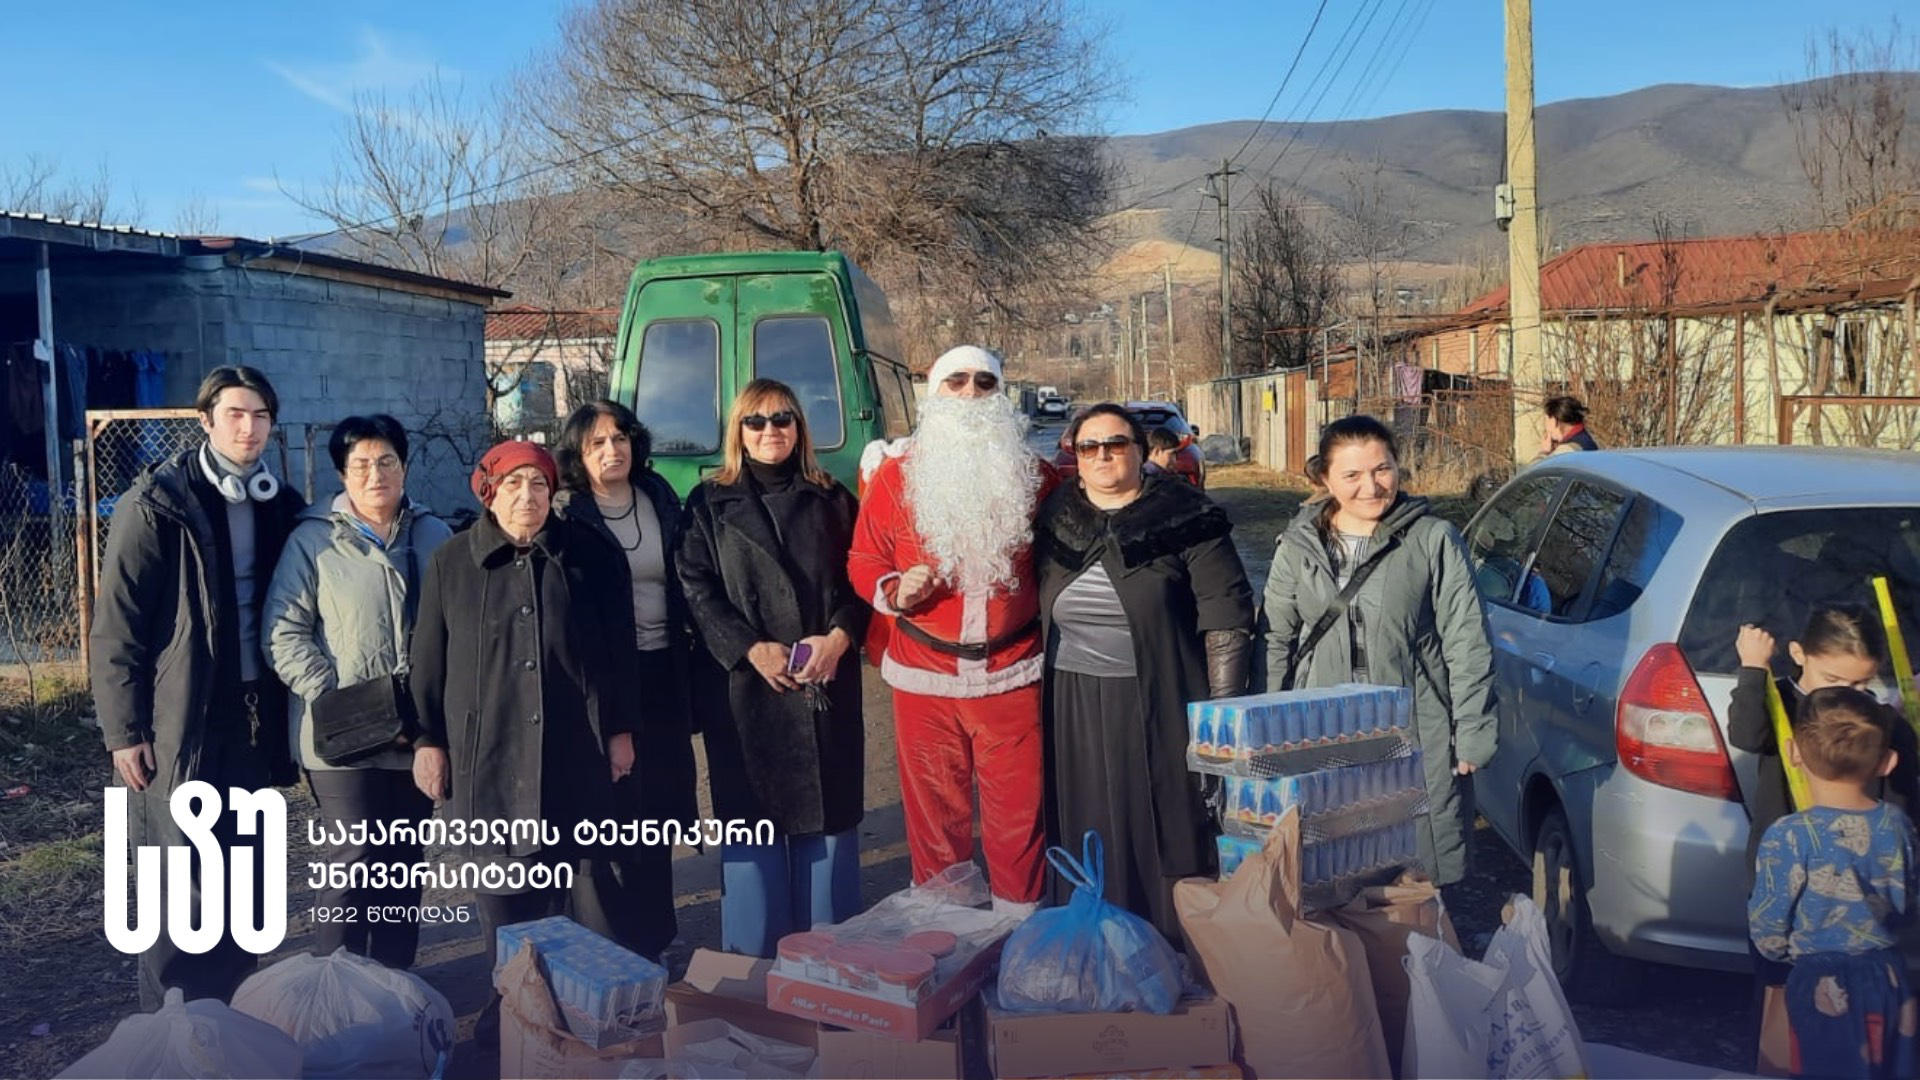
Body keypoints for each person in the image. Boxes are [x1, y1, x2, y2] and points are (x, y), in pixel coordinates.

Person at [91, 365, 307, 1008]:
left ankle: (236, 1016)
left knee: (250, 873)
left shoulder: (279, 505)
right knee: (180, 877)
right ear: (206, 420)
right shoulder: (155, 504)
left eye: (261, 415)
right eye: (236, 414)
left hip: (255, 716)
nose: (249, 427)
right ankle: (174, 1026)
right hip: (179, 719)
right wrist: (125, 732)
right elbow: (116, 628)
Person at [408, 440, 636, 974]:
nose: (527, 495)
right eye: (513, 484)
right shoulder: (452, 562)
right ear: (489, 493)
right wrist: (427, 741)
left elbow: (620, 653)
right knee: (505, 900)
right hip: (488, 757)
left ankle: (594, 1006)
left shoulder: (590, 555)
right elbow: (428, 662)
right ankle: (513, 1010)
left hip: (576, 747)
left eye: (538, 484)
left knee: (589, 888)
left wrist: (622, 729)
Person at [848, 345, 1057, 913]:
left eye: (984, 383)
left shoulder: (1037, 478)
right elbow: (864, 558)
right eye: (956, 381)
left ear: (1001, 394)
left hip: (1013, 674)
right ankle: (945, 939)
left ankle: (1021, 938)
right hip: (925, 678)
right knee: (936, 820)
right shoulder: (896, 478)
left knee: (1019, 815)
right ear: (934, 395)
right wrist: (894, 590)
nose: (969, 394)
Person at [1035, 403, 1254, 942]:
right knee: (1087, 822)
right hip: (1073, 698)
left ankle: (1166, 943)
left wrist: (1217, 722)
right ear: (1074, 457)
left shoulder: (1185, 515)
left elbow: (1225, 615)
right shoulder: (1057, 515)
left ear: (1140, 451)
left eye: (1116, 443)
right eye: (1090, 447)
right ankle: (1094, 939)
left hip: (1159, 694)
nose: (1103, 455)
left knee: (1160, 820)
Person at [1260, 414, 1496, 888]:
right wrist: (1263, 734)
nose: (1371, 486)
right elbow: (1275, 640)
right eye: (1352, 475)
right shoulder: (1298, 547)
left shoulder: (1432, 539)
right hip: (1322, 730)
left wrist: (1471, 729)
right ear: (1324, 479)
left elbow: (1467, 639)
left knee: (1415, 871)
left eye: (1382, 469)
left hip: (1414, 729)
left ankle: (1413, 958)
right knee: (1331, 866)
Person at [677, 379, 869, 956]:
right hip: (746, 692)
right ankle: (753, 977)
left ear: (800, 428)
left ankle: (832, 970)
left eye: (782, 419)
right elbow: (695, 586)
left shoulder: (832, 496)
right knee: (753, 830)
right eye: (755, 422)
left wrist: (840, 636)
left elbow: (862, 576)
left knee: (827, 833)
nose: (770, 432)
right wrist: (747, 646)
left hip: (823, 684)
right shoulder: (708, 503)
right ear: (737, 431)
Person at [263, 414, 451, 968]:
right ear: (342, 474)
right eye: (362, 465)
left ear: (404, 466)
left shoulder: (434, 535)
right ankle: (335, 984)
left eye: (387, 461)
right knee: (353, 858)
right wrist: (334, 698)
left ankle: (394, 984)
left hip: (414, 732)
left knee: (403, 863)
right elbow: (282, 632)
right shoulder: (313, 542)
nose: (376, 475)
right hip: (341, 737)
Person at [1729, 606, 1920, 1059]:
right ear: (1799, 654)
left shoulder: (1871, 717)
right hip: (1790, 878)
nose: (1851, 695)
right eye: (1835, 679)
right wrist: (1753, 669)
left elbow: (1904, 775)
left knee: (1866, 1040)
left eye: (1862, 684)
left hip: (1860, 890)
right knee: (1784, 1017)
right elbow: (1746, 732)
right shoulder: (1782, 705)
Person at [554, 400, 699, 961]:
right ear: (578, 455)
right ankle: (609, 942)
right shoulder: (569, 512)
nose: (611, 450)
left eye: (619, 438)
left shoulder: (658, 496)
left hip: (665, 669)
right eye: (596, 444)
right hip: (608, 677)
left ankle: (656, 937)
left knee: (660, 807)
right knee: (612, 808)